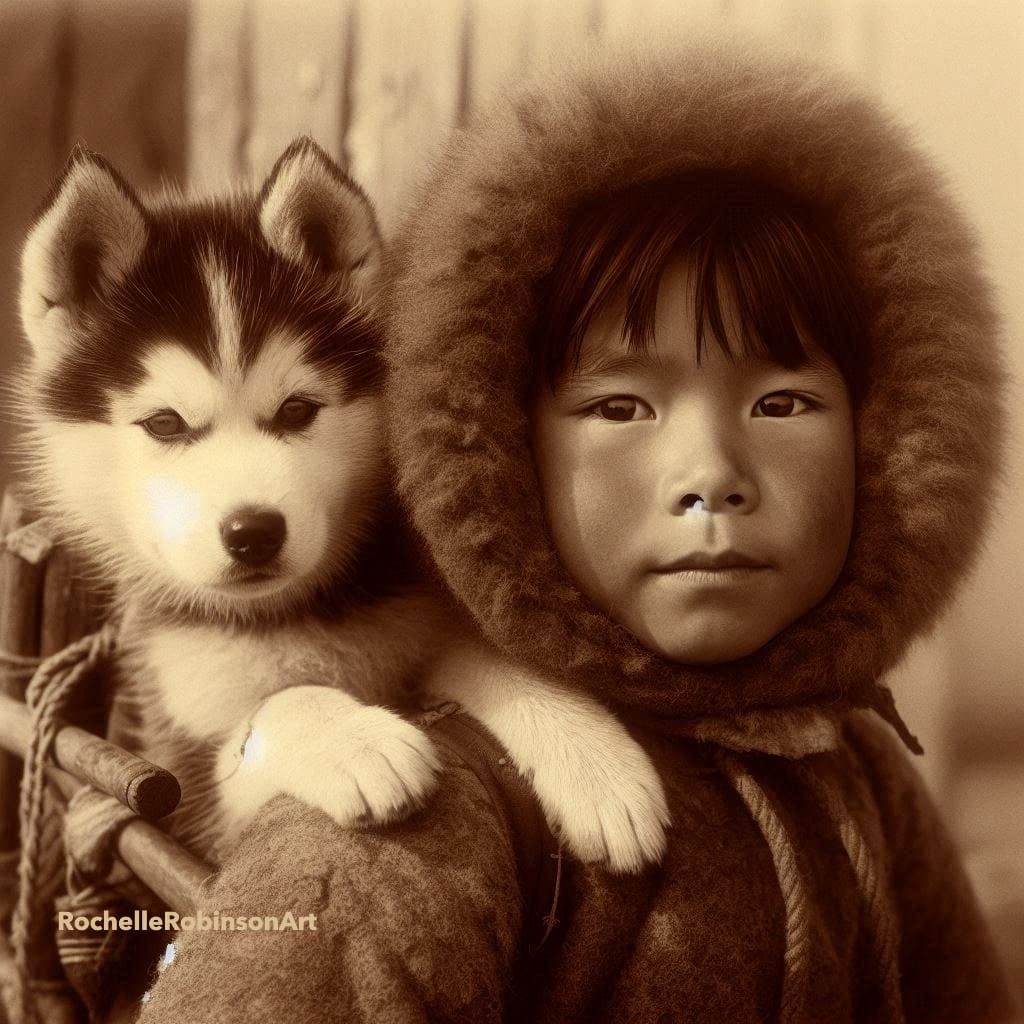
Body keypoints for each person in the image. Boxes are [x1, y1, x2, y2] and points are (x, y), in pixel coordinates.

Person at [136, 39, 1018, 1023]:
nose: (711, 476)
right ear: (498, 448)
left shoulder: (849, 763)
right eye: (621, 407)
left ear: (887, 435)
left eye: (779, 403)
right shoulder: (411, 824)